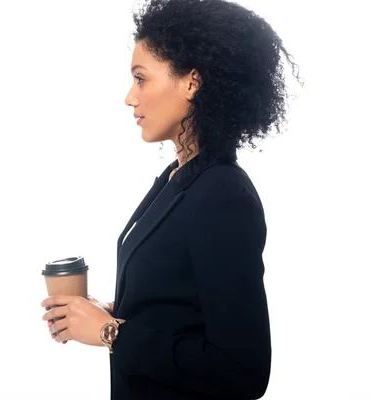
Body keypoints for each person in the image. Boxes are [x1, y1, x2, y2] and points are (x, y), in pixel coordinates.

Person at [40, 0, 302, 398]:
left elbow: (243, 370)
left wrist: (111, 334)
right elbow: (179, 308)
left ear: (192, 83)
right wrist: (107, 313)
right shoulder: (177, 178)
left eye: (141, 78)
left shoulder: (223, 195)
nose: (130, 97)